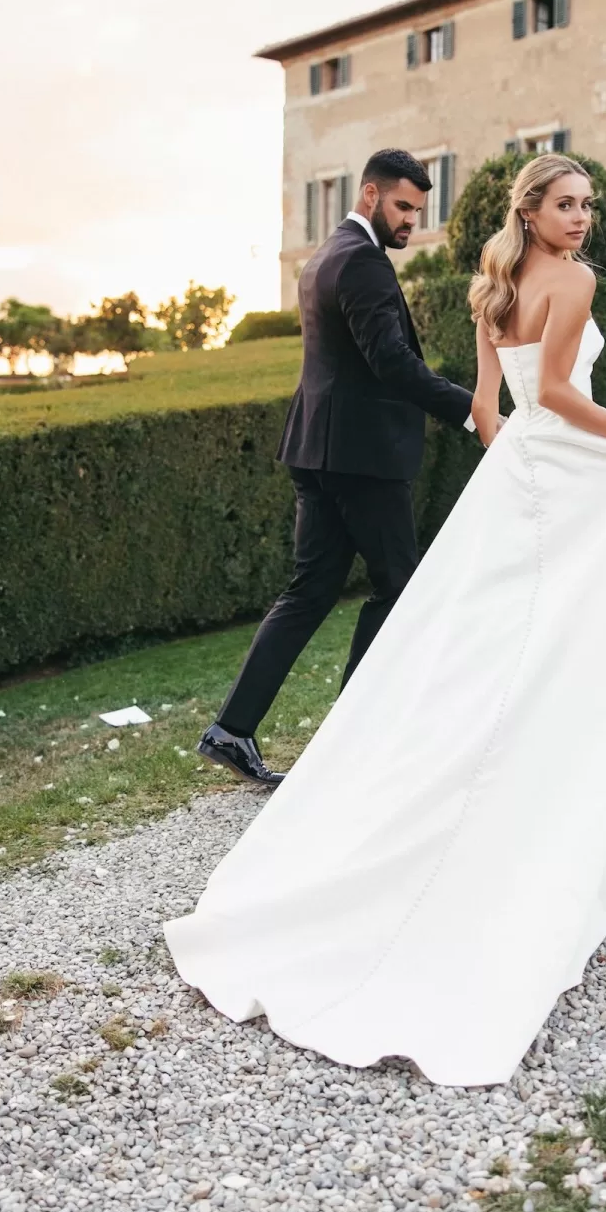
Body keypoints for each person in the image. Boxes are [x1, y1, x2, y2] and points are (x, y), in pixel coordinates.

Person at [165, 153, 606, 1087]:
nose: (582, 219)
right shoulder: (571, 281)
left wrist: (520, 467)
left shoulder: (495, 287)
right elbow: (560, 394)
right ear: (531, 210)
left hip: (516, 467)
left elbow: (494, 412)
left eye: (589, 206)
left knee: (477, 631)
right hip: (551, 455)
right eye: (567, 205)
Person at [197, 149, 478, 787]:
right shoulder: (363, 264)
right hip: (362, 460)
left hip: (315, 453)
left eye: (418, 209)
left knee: (309, 591)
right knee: (399, 589)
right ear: (372, 194)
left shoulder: (324, 257)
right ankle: (350, 740)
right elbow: (393, 366)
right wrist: (474, 411)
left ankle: (231, 730)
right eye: (404, 207)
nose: (412, 221)